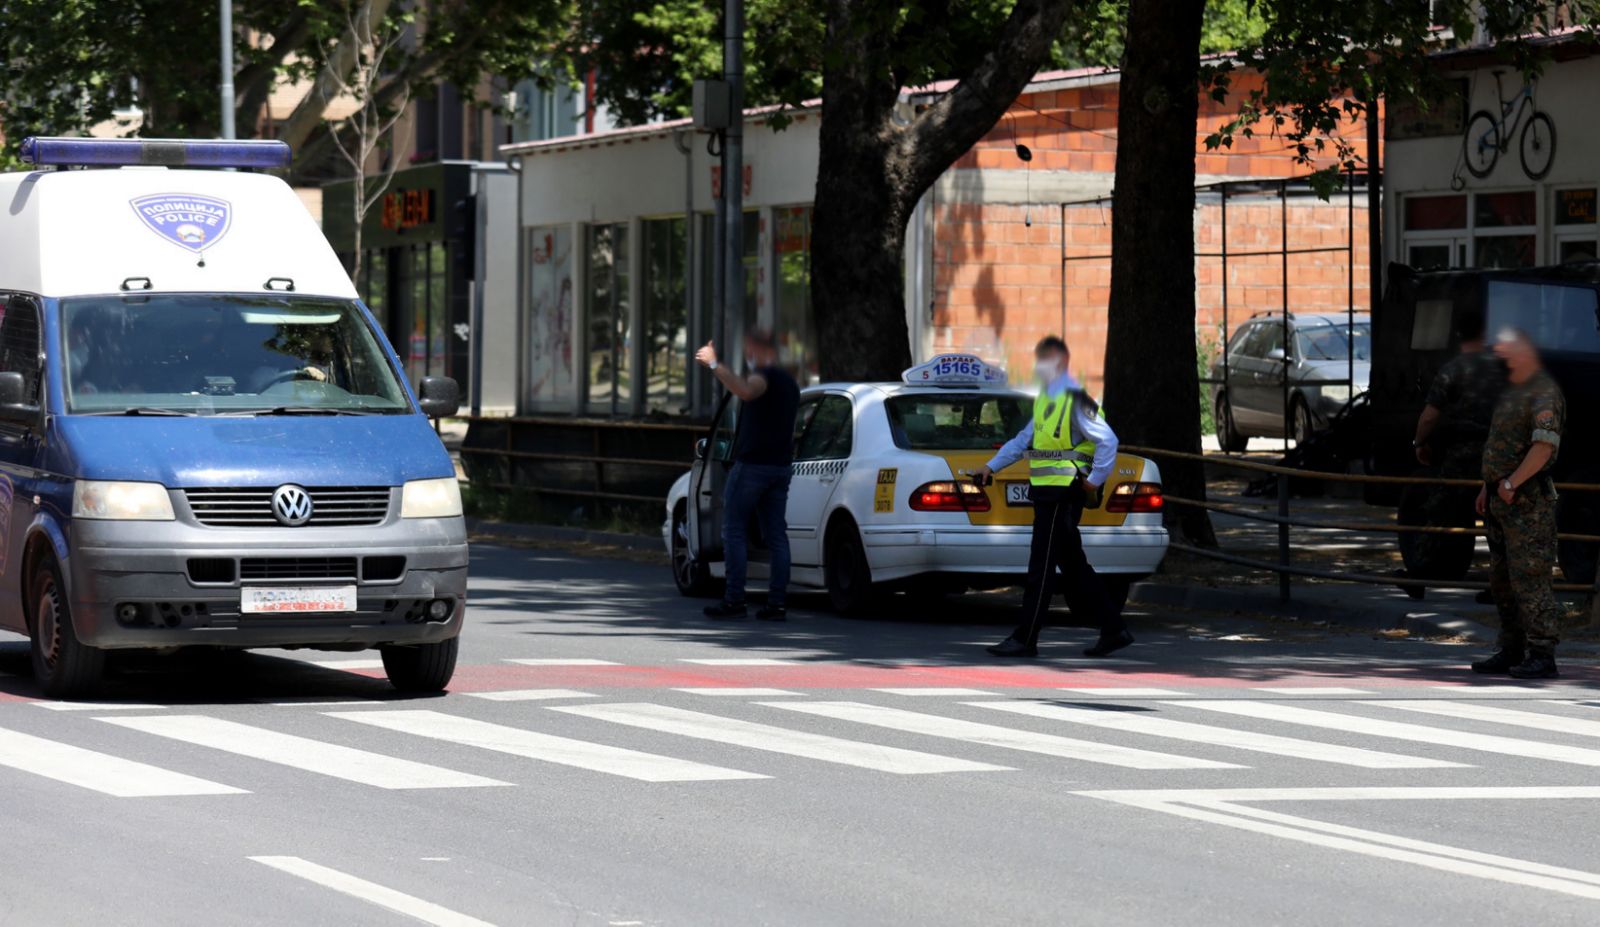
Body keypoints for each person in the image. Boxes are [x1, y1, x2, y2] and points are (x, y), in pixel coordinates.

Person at [976, 336, 1131, 658]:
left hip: (1063, 493)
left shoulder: (1074, 398)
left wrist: (1095, 480)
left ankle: (1025, 638)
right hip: (1049, 492)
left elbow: (1108, 440)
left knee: (1041, 567)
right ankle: (1113, 629)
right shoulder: (1047, 398)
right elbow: (1023, 440)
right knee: (1073, 566)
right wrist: (991, 467)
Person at [1472, 328, 1566, 679]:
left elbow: (1544, 446)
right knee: (1502, 580)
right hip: (1501, 499)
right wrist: (1489, 486)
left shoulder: (1543, 391)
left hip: (1527, 503)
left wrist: (1512, 482)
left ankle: (1542, 652)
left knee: (1530, 578)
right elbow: (1500, 446)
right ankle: (1511, 647)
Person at [694, 330, 799, 621]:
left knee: (734, 531)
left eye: (749, 350)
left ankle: (734, 600)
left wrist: (715, 365)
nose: (747, 356)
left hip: (753, 466)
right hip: (780, 467)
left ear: (762, 350)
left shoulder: (763, 376)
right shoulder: (791, 385)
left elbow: (745, 390)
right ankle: (777, 604)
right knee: (777, 534)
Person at [1404, 310, 1505, 600]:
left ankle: (1419, 575)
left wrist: (1419, 443)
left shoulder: (1453, 369)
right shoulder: (1504, 370)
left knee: (1439, 513)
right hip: (1497, 453)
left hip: (1460, 455)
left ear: (1459, 336)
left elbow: (1429, 418)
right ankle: (1497, 585)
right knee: (1496, 521)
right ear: (1486, 335)